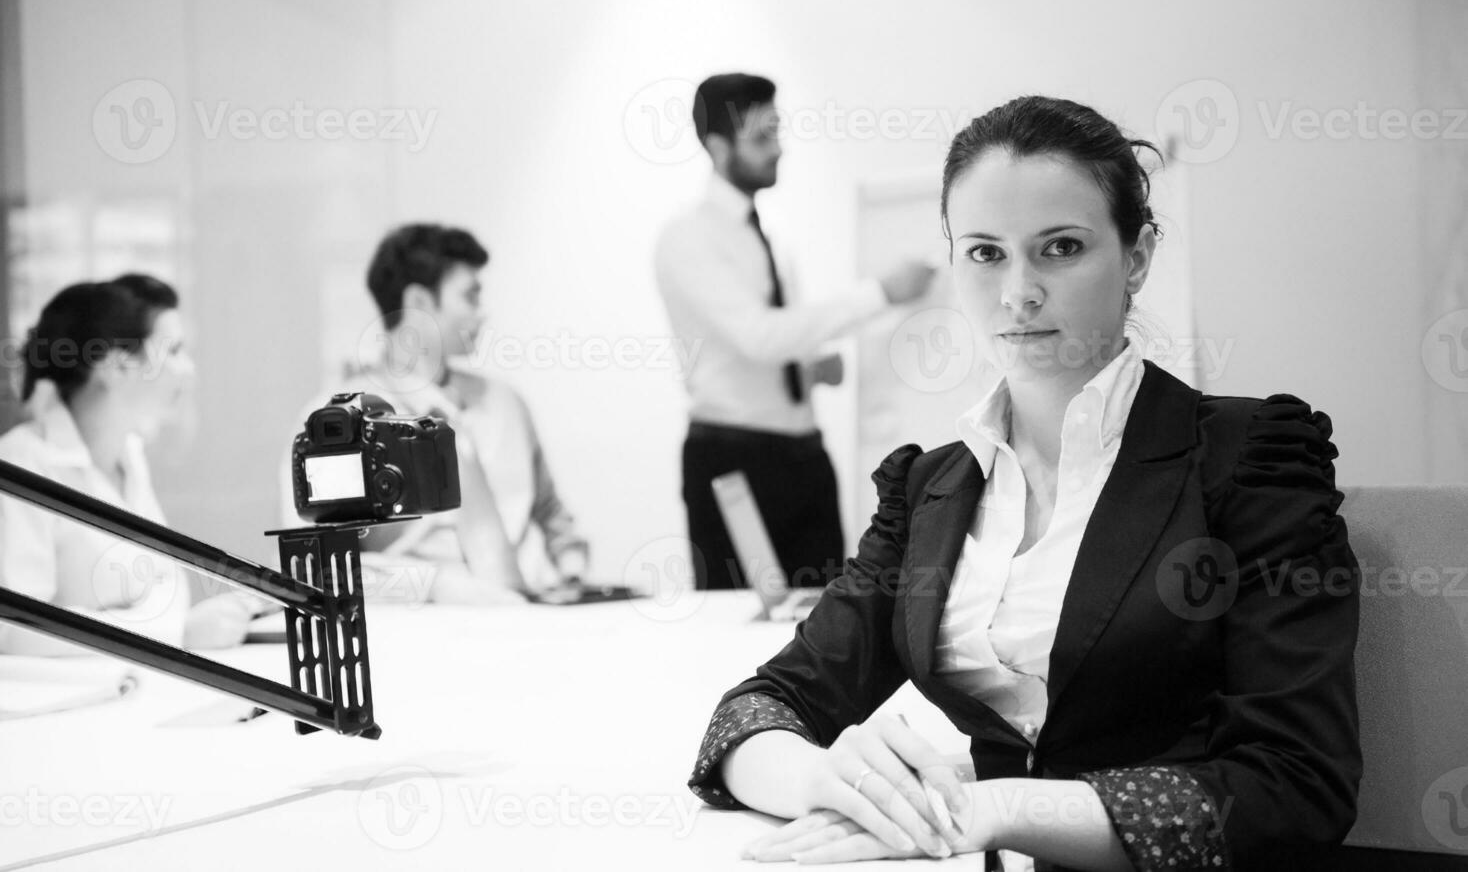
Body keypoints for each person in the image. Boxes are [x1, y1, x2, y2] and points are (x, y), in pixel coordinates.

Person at [686, 96, 1361, 870]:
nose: (1018, 293)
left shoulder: (1248, 458)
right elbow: (753, 711)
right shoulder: (929, 489)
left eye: (1061, 247)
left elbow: (1298, 785)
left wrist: (996, 808)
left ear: (1136, 257)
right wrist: (829, 779)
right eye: (985, 253)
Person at [655, 72, 937, 591]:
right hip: (732, 460)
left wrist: (809, 365)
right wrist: (881, 292)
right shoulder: (686, 239)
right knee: (736, 623)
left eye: (778, 131)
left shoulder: (773, 237)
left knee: (825, 618)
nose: (779, 149)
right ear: (718, 148)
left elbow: (775, 342)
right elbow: (760, 336)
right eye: (762, 138)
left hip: (804, 456)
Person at [282, 223, 590, 606]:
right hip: (426, 628)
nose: (482, 313)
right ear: (420, 301)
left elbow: (550, 512)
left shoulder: (506, 402)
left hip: (538, 612)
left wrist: (572, 574)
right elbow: (319, 568)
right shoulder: (333, 423)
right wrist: (433, 587)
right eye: (470, 296)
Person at [0, 275, 255, 656]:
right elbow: (15, 635)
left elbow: (168, 587)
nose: (188, 369)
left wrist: (167, 627)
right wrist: (172, 634)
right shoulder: (20, 464)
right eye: (174, 351)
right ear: (115, 366)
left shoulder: (129, 455)